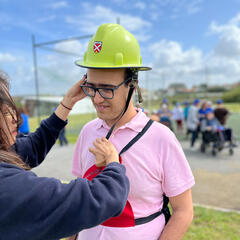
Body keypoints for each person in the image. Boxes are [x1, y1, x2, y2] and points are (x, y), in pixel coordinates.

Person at [71, 24, 194, 240]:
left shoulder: (161, 138)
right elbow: (80, 199)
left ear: (132, 84)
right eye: (91, 88)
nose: (97, 99)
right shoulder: (88, 131)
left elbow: (183, 211)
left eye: (107, 89)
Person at [0, 73, 130, 239]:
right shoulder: (7, 186)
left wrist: (68, 102)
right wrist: (112, 161)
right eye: (4, 113)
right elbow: (100, 197)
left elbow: (32, 147)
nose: (15, 119)